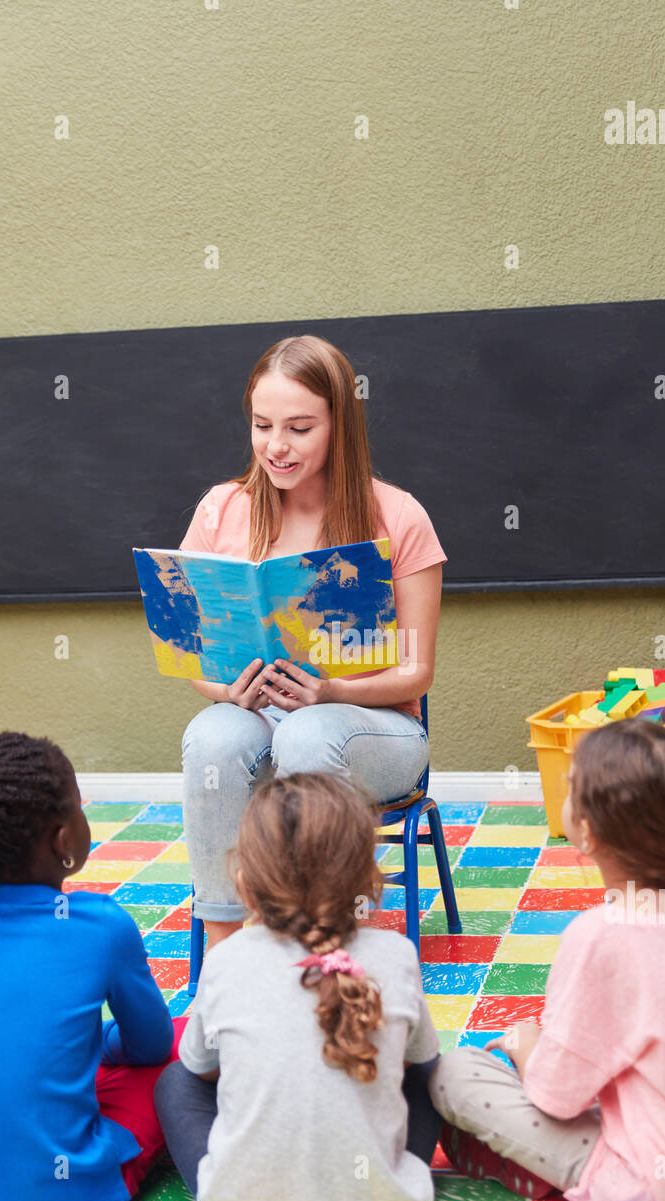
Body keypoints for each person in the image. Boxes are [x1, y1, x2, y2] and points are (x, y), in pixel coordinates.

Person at [429, 719, 665, 1201]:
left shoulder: (599, 937)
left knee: (457, 1072)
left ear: (589, 832)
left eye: (570, 787)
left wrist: (529, 1042)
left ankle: (538, 1171)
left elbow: (555, 1098)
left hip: (661, 1194)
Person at [178, 333, 447, 951]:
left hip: (374, 728)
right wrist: (226, 689)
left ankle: (320, 945)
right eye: (262, 424)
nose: (276, 446)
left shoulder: (398, 516)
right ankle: (225, 953)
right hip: (259, 712)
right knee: (214, 735)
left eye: (299, 428)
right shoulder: (222, 511)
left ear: (339, 424)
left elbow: (416, 672)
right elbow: (193, 655)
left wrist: (328, 690)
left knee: (307, 733)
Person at [155, 772, 442, 1201]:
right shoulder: (397, 955)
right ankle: (394, 1176)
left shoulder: (226, 961)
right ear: (370, 881)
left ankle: (234, 1182)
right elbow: (419, 1068)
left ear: (244, 882)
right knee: (432, 1074)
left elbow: (198, 1073)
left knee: (174, 1080)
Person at [0, 728, 182, 1201]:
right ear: (64, 839)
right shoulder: (99, 924)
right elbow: (151, 1046)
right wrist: (106, 1045)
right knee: (180, 1044)